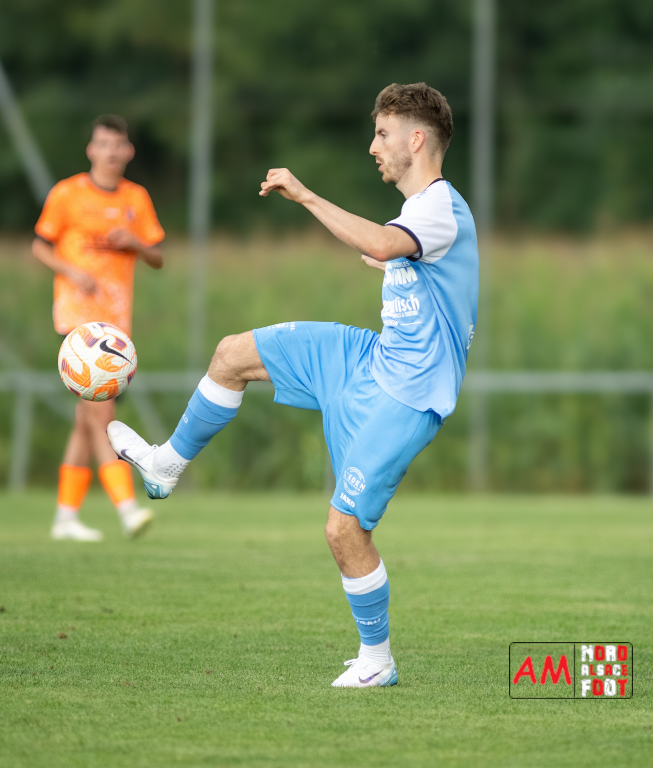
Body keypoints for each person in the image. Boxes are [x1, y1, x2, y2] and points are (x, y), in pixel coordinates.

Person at [106, 83, 478, 688]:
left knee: (344, 531)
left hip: (407, 395)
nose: (372, 146)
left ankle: (377, 660)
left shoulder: (440, 206)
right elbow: (398, 254)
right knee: (232, 355)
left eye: (382, 133)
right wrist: (389, 261)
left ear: (416, 140)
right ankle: (166, 465)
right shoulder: (422, 214)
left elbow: (384, 241)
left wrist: (306, 196)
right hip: (368, 359)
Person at [33, 115, 164, 542]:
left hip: (115, 327)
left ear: (128, 151)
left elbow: (158, 257)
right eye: (102, 143)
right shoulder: (67, 193)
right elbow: (39, 245)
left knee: (85, 420)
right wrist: (72, 271)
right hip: (78, 326)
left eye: (117, 144)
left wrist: (136, 244)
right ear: (91, 149)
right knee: (102, 414)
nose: (110, 151)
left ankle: (65, 517)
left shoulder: (136, 198)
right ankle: (127, 509)